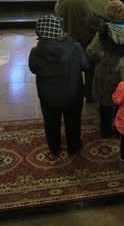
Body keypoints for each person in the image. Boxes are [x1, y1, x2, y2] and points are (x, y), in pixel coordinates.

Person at [28, 15, 89, 159]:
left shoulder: (36, 52)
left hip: (48, 96)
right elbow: (86, 66)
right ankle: (73, 147)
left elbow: (33, 69)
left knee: (51, 123)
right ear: (59, 30)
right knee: (73, 121)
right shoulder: (76, 48)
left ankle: (54, 149)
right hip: (73, 94)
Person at [86, 0, 124, 138]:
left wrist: (105, 57)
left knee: (106, 106)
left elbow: (91, 52)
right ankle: (120, 128)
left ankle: (106, 131)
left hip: (106, 76)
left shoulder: (103, 34)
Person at [54, 0, 110, 102]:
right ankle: (90, 96)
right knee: (91, 70)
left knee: (73, 70)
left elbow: (58, 12)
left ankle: (73, 95)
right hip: (92, 41)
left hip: (71, 39)